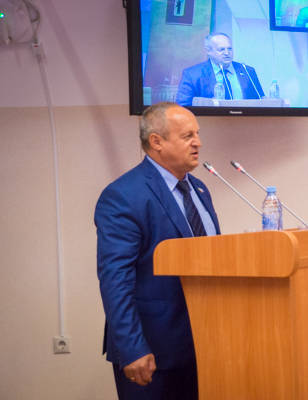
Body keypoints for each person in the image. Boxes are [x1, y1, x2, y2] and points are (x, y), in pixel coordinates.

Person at [95, 101, 220, 400]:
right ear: (156, 141)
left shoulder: (199, 189)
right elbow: (115, 281)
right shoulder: (123, 195)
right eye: (187, 136)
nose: (198, 142)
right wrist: (132, 347)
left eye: (197, 134)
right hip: (152, 352)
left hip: (205, 346)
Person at [176, 33, 265, 106]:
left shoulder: (248, 71)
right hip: (209, 121)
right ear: (208, 51)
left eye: (229, 48)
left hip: (246, 121)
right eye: (221, 49)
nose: (227, 53)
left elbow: (260, 101)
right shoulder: (193, 74)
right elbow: (183, 107)